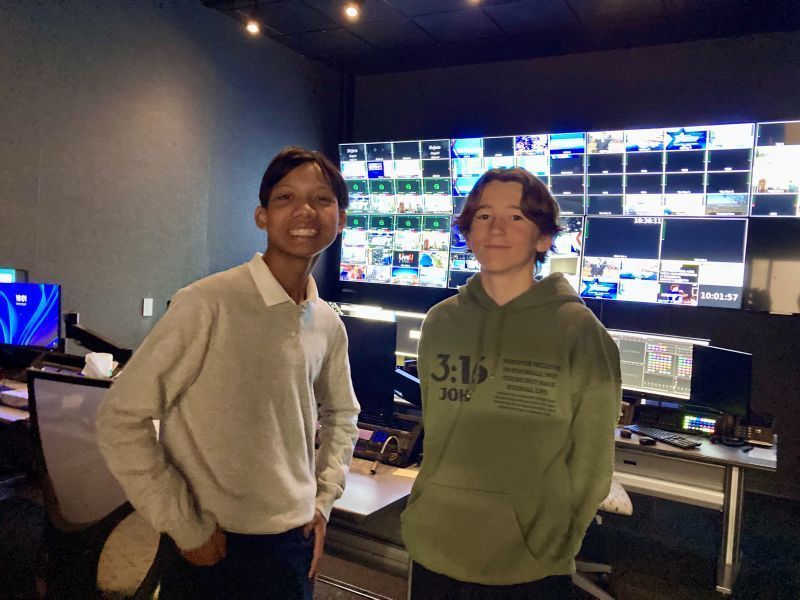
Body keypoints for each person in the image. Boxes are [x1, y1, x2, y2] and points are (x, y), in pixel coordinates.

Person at [96, 146, 360, 600]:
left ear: (341, 220)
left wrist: (322, 502)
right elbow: (120, 418)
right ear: (261, 216)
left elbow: (343, 415)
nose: (305, 211)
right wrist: (184, 525)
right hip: (212, 541)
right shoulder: (207, 302)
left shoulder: (326, 323)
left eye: (321, 199)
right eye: (286, 198)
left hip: (292, 543)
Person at [401, 167, 621, 599]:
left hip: (529, 561)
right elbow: (440, 432)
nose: (496, 228)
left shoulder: (579, 332)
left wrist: (556, 542)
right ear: (467, 233)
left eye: (516, 216)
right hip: (435, 543)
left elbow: (592, 462)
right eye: (484, 216)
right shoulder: (440, 322)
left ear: (543, 237)